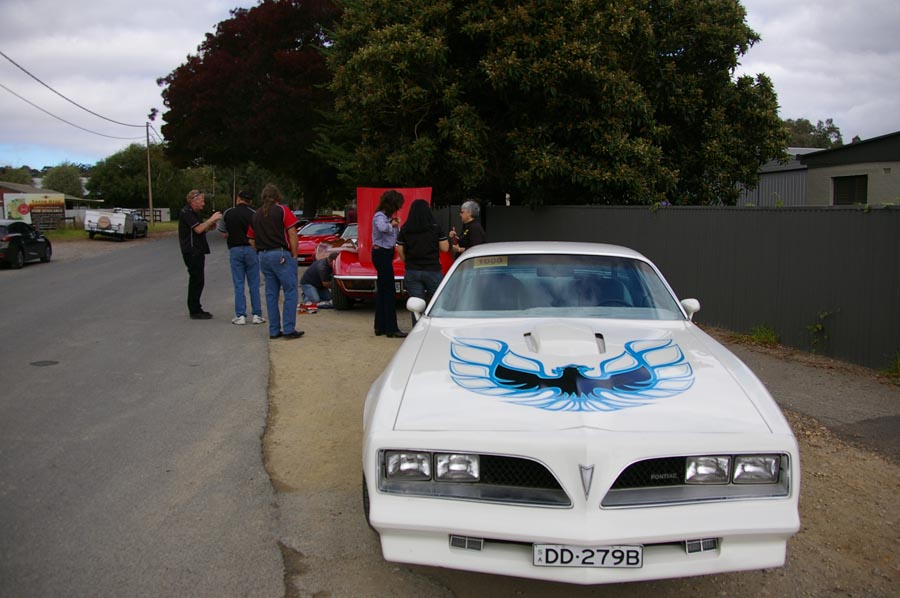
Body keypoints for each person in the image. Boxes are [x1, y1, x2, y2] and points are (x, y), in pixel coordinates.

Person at [247, 184, 304, 340]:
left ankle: (274, 330)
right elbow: (292, 233)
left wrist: (260, 250)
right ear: (277, 196)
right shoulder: (282, 210)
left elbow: (251, 239)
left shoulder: (256, 215)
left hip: (263, 255)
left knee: (271, 293)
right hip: (280, 253)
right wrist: (294, 254)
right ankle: (288, 329)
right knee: (290, 291)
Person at [397, 199, 449, 326]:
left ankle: (418, 330)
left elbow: (399, 249)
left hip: (412, 270)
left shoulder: (405, 228)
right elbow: (445, 248)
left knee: (416, 305)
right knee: (437, 303)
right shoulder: (435, 227)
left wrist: (406, 261)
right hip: (432, 270)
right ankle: (436, 328)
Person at [220, 190, 265, 325]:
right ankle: (257, 314)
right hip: (251, 249)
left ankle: (240, 315)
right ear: (250, 201)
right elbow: (260, 233)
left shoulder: (228, 213)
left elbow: (223, 233)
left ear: (238, 199)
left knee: (238, 284)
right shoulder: (254, 214)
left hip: (235, 249)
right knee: (254, 284)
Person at [178, 189, 222, 319]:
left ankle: (196, 307)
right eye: (201, 201)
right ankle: (194, 310)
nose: (203, 204)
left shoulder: (195, 213)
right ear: (193, 201)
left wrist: (210, 225)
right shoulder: (186, 212)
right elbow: (197, 229)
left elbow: (202, 229)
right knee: (196, 280)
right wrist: (211, 219)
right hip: (192, 251)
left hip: (198, 250)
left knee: (198, 280)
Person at [371, 189, 406, 338]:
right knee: (389, 290)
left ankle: (380, 326)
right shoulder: (380, 216)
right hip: (382, 253)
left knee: (383, 290)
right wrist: (392, 223)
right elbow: (383, 228)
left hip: (384, 253)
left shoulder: (386, 217)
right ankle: (391, 328)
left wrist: (394, 224)